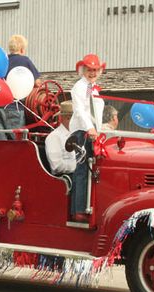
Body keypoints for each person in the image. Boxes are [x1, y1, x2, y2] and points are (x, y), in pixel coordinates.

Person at [69, 54, 106, 223]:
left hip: (92, 132)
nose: (92, 73)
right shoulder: (79, 87)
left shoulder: (95, 88)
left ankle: (87, 206)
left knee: (90, 169)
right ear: (83, 71)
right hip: (81, 131)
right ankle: (78, 209)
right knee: (82, 169)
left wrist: (99, 129)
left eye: (95, 70)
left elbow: (96, 113)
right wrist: (89, 128)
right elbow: (80, 111)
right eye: (89, 70)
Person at [0, 34, 41, 140]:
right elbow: (38, 83)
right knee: (17, 142)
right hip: (13, 107)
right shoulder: (25, 61)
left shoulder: (1, 61)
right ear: (22, 49)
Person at [45, 101, 76, 176]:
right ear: (68, 118)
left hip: (77, 176)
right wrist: (77, 166)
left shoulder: (75, 135)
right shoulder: (54, 137)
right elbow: (57, 166)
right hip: (64, 180)